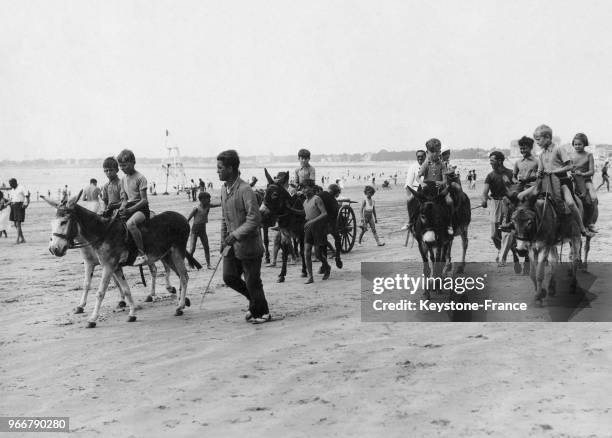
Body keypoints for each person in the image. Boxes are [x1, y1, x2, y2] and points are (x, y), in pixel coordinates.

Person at [218, 149, 271, 324]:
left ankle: (263, 313)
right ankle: (255, 302)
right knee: (229, 276)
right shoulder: (224, 190)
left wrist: (235, 235)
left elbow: (254, 219)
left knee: (252, 280)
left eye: (220, 168)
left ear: (231, 168)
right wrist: (223, 241)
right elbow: (224, 218)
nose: (217, 171)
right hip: (231, 245)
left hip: (249, 245)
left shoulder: (245, 189)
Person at [534, 124, 594, 237]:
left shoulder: (558, 149)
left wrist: (554, 171)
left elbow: (570, 167)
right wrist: (538, 173)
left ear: (547, 137)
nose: (537, 142)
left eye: (538, 139)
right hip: (548, 184)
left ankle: (582, 228)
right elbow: (540, 170)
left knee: (571, 203)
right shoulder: (541, 154)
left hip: (562, 181)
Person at [117, 149, 150, 265]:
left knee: (130, 224)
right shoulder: (123, 179)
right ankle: (123, 251)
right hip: (130, 208)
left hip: (141, 210)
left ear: (133, 162)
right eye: (120, 166)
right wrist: (122, 208)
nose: (122, 168)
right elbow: (125, 199)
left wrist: (130, 209)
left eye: (124, 165)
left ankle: (142, 254)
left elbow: (144, 200)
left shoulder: (140, 178)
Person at [417, 138, 454, 235]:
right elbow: (417, 177)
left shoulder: (442, 165)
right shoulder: (426, 164)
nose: (434, 154)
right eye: (431, 152)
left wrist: (442, 183)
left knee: (449, 201)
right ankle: (412, 222)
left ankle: (449, 224)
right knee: (414, 201)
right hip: (427, 190)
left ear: (440, 152)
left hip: (438, 190)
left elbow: (445, 179)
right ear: (427, 152)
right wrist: (421, 183)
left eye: (436, 152)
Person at [481, 152, 513, 251]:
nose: (490, 163)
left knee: (508, 230)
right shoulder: (490, 176)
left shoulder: (511, 173)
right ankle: (500, 250)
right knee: (494, 235)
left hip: (508, 204)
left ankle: (503, 254)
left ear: (499, 161)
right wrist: (484, 200)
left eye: (492, 161)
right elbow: (484, 192)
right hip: (495, 204)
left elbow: (516, 188)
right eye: (490, 161)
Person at [302, 179, 330, 283]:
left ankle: (327, 267)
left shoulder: (317, 199)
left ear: (312, 188)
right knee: (307, 252)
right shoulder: (305, 202)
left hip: (318, 228)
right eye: (303, 188)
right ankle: (310, 276)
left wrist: (312, 221)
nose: (304, 190)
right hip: (309, 228)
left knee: (318, 254)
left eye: (306, 188)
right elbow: (306, 215)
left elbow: (324, 213)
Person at [571, 133, 597, 232]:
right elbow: (567, 168)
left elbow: (592, 171)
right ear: (573, 144)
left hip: (585, 180)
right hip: (573, 180)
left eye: (580, 144)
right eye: (575, 144)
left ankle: (590, 222)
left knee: (593, 198)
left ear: (584, 144)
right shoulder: (570, 155)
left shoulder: (589, 155)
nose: (577, 146)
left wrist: (582, 174)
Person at [187, 191, 220, 269]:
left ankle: (208, 264)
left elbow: (217, 204)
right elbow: (188, 219)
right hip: (195, 230)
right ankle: (189, 264)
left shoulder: (208, 206)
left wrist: (223, 202)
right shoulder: (196, 209)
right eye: (208, 199)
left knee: (206, 247)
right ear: (202, 200)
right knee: (192, 249)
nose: (209, 201)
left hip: (203, 230)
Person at [317, 183, 343, 269]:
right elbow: (335, 216)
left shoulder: (321, 194)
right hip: (329, 223)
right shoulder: (335, 202)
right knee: (337, 238)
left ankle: (324, 265)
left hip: (319, 222)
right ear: (336, 193)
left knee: (323, 242)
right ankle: (338, 256)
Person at [402, 149, 426, 231]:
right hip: (416, 191)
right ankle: (410, 222)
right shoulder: (413, 167)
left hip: (427, 190)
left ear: (425, 156)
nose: (420, 158)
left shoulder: (428, 165)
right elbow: (408, 184)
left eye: (422, 156)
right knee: (410, 201)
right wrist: (411, 195)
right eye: (418, 156)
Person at [513, 136, 539, 201]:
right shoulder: (518, 162)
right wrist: (516, 182)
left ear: (531, 148)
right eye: (521, 149)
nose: (522, 150)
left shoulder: (537, 162)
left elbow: (541, 177)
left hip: (532, 188)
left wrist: (528, 179)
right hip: (520, 187)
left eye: (524, 148)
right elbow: (513, 177)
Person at [8, 178, 30, 244]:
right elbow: (11, 199)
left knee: (18, 223)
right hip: (13, 206)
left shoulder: (21, 187)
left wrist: (27, 204)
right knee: (15, 224)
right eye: (10, 184)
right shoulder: (12, 190)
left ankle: (17, 239)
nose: (10, 185)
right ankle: (22, 239)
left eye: (11, 184)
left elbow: (27, 195)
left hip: (19, 205)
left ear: (15, 183)